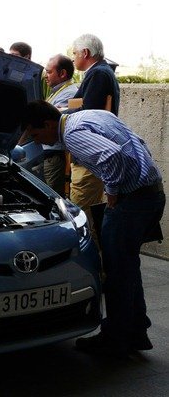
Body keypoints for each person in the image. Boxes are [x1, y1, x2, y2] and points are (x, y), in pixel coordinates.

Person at [22, 100, 165, 357]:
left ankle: (115, 339)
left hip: (131, 202)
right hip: (151, 194)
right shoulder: (91, 115)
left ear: (48, 124)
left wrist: (112, 191)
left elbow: (112, 155)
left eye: (36, 135)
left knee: (117, 272)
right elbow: (138, 142)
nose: (39, 142)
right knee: (128, 268)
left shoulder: (72, 134)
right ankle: (135, 332)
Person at [68, 34, 120, 218]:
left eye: (74, 53)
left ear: (85, 52)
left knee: (80, 211)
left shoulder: (98, 73)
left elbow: (88, 112)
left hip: (88, 155)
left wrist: (61, 112)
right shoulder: (102, 71)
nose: (73, 58)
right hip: (92, 155)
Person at [41, 54, 78, 195]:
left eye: (49, 72)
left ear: (62, 73)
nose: (45, 76)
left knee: (52, 195)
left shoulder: (69, 93)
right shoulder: (58, 91)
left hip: (55, 154)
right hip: (51, 152)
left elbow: (49, 119)